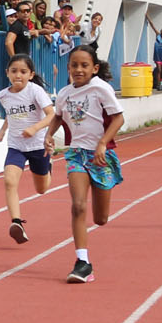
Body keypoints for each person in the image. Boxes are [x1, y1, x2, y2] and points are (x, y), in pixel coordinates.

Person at [45, 46, 124, 283]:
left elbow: (119, 118)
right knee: (78, 206)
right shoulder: (65, 93)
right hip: (76, 155)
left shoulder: (101, 88)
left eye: (84, 65)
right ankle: (83, 262)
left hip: (100, 156)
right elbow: (58, 116)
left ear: (95, 68)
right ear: (68, 67)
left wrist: (102, 143)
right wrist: (49, 135)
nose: (78, 70)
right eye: (74, 65)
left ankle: (84, 259)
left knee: (100, 219)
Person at [0, 53, 55, 244]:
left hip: (37, 145)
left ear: (31, 74)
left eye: (23, 71)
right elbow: (10, 114)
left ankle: (48, 167)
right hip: (16, 145)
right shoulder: (3, 95)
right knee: (9, 181)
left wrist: (35, 128)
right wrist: (2, 130)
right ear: (7, 73)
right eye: (14, 71)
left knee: (41, 189)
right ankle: (16, 222)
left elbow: (51, 115)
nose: (18, 75)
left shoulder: (35, 91)